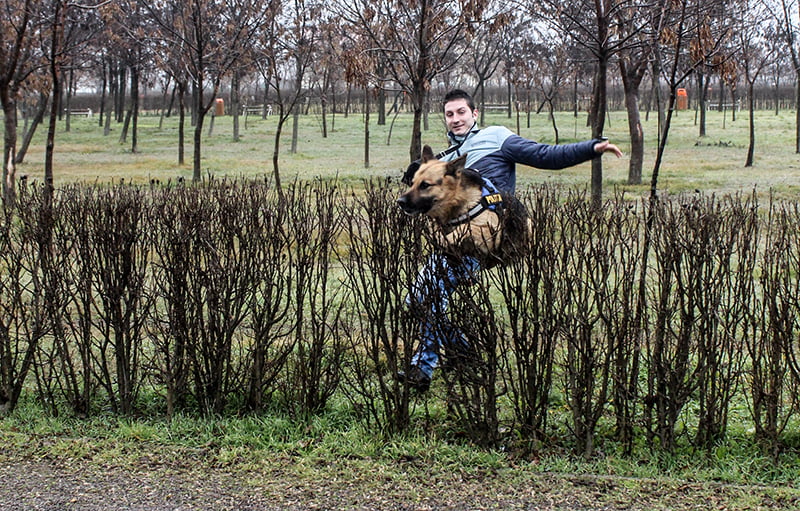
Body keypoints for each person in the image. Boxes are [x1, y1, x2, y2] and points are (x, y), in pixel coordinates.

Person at [398, 88, 623, 392]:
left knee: (429, 295)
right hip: (451, 236)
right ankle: (463, 351)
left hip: (484, 234)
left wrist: (591, 147)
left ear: (475, 113)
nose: (456, 119)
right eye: (450, 114)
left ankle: (422, 368)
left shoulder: (496, 137)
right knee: (417, 300)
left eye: (461, 112)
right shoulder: (446, 160)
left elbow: (544, 155)